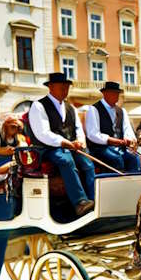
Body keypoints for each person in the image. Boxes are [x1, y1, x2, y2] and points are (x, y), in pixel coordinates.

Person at [27, 72, 96, 217]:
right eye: (62, 86)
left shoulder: (70, 107)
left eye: (67, 86)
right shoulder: (38, 106)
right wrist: (65, 143)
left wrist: (80, 141)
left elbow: (78, 129)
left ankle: (94, 199)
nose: (65, 89)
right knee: (66, 160)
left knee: (88, 163)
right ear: (51, 87)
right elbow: (43, 133)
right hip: (47, 148)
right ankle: (80, 203)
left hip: (70, 146)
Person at [84, 81, 139, 173]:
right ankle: (118, 185)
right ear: (105, 93)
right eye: (114, 93)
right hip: (100, 149)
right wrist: (110, 140)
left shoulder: (122, 111)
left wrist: (130, 139)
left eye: (117, 93)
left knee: (134, 158)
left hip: (120, 148)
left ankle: (132, 183)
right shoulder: (94, 109)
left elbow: (127, 129)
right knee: (116, 159)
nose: (116, 96)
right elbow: (92, 134)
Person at [0, 114, 27, 191]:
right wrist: (7, 151)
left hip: (9, 163)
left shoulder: (17, 138)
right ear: (6, 126)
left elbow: (21, 147)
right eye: (12, 127)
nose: (15, 129)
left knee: (14, 166)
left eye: (17, 127)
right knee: (11, 166)